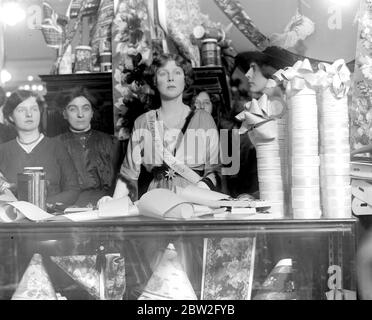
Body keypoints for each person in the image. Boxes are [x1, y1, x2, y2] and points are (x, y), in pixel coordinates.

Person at [98, 53, 220, 298]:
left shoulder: (203, 119)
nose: (171, 78)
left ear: (186, 80)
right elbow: (128, 172)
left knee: (187, 273)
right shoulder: (144, 121)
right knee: (155, 272)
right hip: (156, 202)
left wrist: (199, 196)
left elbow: (213, 170)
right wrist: (113, 203)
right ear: (155, 81)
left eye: (177, 73)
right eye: (164, 73)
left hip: (193, 201)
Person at [0, 90, 80, 210]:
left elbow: (73, 190)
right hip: (14, 223)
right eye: (21, 110)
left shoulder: (57, 147)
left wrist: (38, 207)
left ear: (40, 112)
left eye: (34, 109)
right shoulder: (3, 151)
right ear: (11, 116)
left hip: (51, 220)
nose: (29, 114)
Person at [56, 86, 121, 207]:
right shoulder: (55, 144)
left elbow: (120, 181)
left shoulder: (111, 142)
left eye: (85, 109)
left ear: (92, 113)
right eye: (73, 109)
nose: (80, 115)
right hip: (66, 208)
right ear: (64, 113)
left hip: (104, 207)